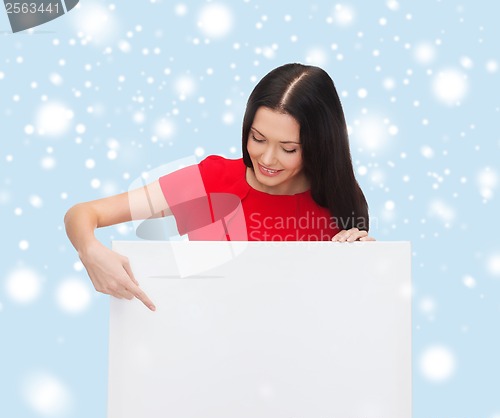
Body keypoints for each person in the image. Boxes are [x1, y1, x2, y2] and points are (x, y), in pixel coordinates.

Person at [64, 63, 375, 312]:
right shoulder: (212, 180)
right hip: (204, 360)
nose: (267, 158)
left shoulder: (337, 206)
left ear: (319, 146)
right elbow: (84, 213)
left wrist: (363, 261)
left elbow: (346, 312)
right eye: (258, 138)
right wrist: (89, 249)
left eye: (288, 149)